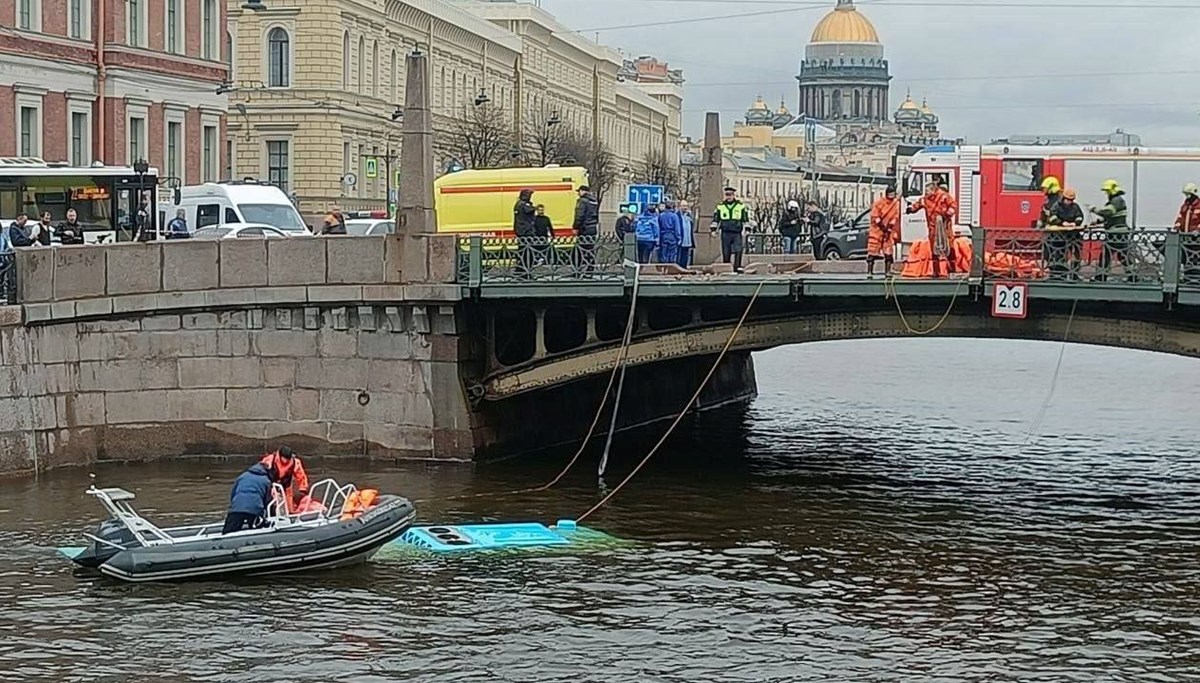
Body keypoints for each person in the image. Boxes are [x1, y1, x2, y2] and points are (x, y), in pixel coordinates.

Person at [906, 182, 958, 278]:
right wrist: (910, 209)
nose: (926, 193)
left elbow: (953, 205)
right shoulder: (925, 200)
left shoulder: (944, 196)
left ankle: (952, 270)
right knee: (934, 248)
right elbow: (917, 205)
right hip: (932, 227)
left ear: (933, 190)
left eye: (927, 191)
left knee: (949, 247)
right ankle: (936, 271)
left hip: (944, 226)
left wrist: (946, 214)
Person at [1089, 179, 1131, 282]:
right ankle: (1132, 275)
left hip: (1116, 233)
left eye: (1107, 191)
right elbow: (1113, 216)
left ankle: (1101, 276)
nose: (1106, 193)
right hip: (1118, 232)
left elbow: (1108, 212)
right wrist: (1098, 221)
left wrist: (1094, 209)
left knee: (1106, 255)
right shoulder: (1117, 200)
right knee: (1122, 255)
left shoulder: (1116, 200)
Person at [223, 459, 276, 534]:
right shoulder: (266, 481)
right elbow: (267, 501)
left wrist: (233, 506)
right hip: (254, 510)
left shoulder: (242, 476)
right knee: (257, 529)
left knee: (228, 531)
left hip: (236, 508)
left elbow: (233, 493)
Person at [259, 446, 309, 513]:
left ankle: (290, 515)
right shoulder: (270, 460)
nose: (286, 461)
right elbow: (261, 471)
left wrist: (303, 489)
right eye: (284, 459)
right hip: (271, 486)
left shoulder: (294, 462)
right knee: (269, 502)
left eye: (288, 459)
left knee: (289, 508)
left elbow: (301, 476)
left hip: (286, 487)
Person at [710, 187, 750, 272]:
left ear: (733, 195)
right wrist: (713, 230)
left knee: (738, 250)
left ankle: (737, 267)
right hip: (726, 231)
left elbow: (745, 219)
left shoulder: (740, 205)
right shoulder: (720, 206)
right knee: (726, 250)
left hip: (736, 231)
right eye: (727, 195)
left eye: (730, 195)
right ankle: (727, 267)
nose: (728, 197)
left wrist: (747, 230)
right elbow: (716, 219)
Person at [867, 185, 901, 277]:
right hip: (877, 230)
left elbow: (895, 217)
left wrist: (889, 227)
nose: (891, 196)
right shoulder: (879, 203)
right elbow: (874, 216)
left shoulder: (895, 204)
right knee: (872, 250)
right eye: (890, 194)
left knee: (888, 251)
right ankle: (870, 271)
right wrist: (881, 226)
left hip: (888, 231)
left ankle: (888, 271)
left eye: (893, 194)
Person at [572, 185, 600, 274]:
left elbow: (579, 215)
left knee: (579, 250)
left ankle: (577, 270)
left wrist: (575, 227)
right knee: (590, 249)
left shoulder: (582, 201)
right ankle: (590, 269)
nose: (578, 193)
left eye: (579, 191)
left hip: (584, 228)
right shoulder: (594, 201)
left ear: (582, 191)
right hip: (592, 228)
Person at [513, 188, 537, 277]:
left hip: (521, 232)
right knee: (527, 253)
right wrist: (535, 207)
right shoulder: (522, 204)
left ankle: (520, 271)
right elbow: (529, 210)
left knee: (523, 252)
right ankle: (525, 272)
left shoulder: (518, 204)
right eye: (529, 195)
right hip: (525, 232)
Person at [657, 200, 683, 265]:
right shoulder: (674, 216)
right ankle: (670, 267)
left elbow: (659, 226)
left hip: (663, 235)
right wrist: (679, 237)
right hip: (672, 235)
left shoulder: (661, 215)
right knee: (672, 253)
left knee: (664, 252)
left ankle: (664, 267)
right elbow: (677, 228)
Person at [677, 201, 695, 268]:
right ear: (680, 206)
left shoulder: (689, 217)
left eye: (686, 206)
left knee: (685, 255)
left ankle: (684, 267)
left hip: (688, 240)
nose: (685, 208)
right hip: (680, 239)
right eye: (683, 206)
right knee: (679, 256)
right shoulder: (677, 216)